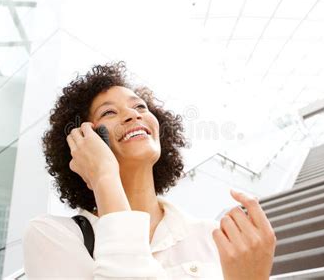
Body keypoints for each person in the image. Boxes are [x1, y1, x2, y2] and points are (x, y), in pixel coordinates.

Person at [22, 62, 276, 279]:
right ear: (82, 139)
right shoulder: (54, 236)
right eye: (109, 112)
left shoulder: (213, 238)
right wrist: (104, 177)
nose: (133, 115)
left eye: (140, 107)